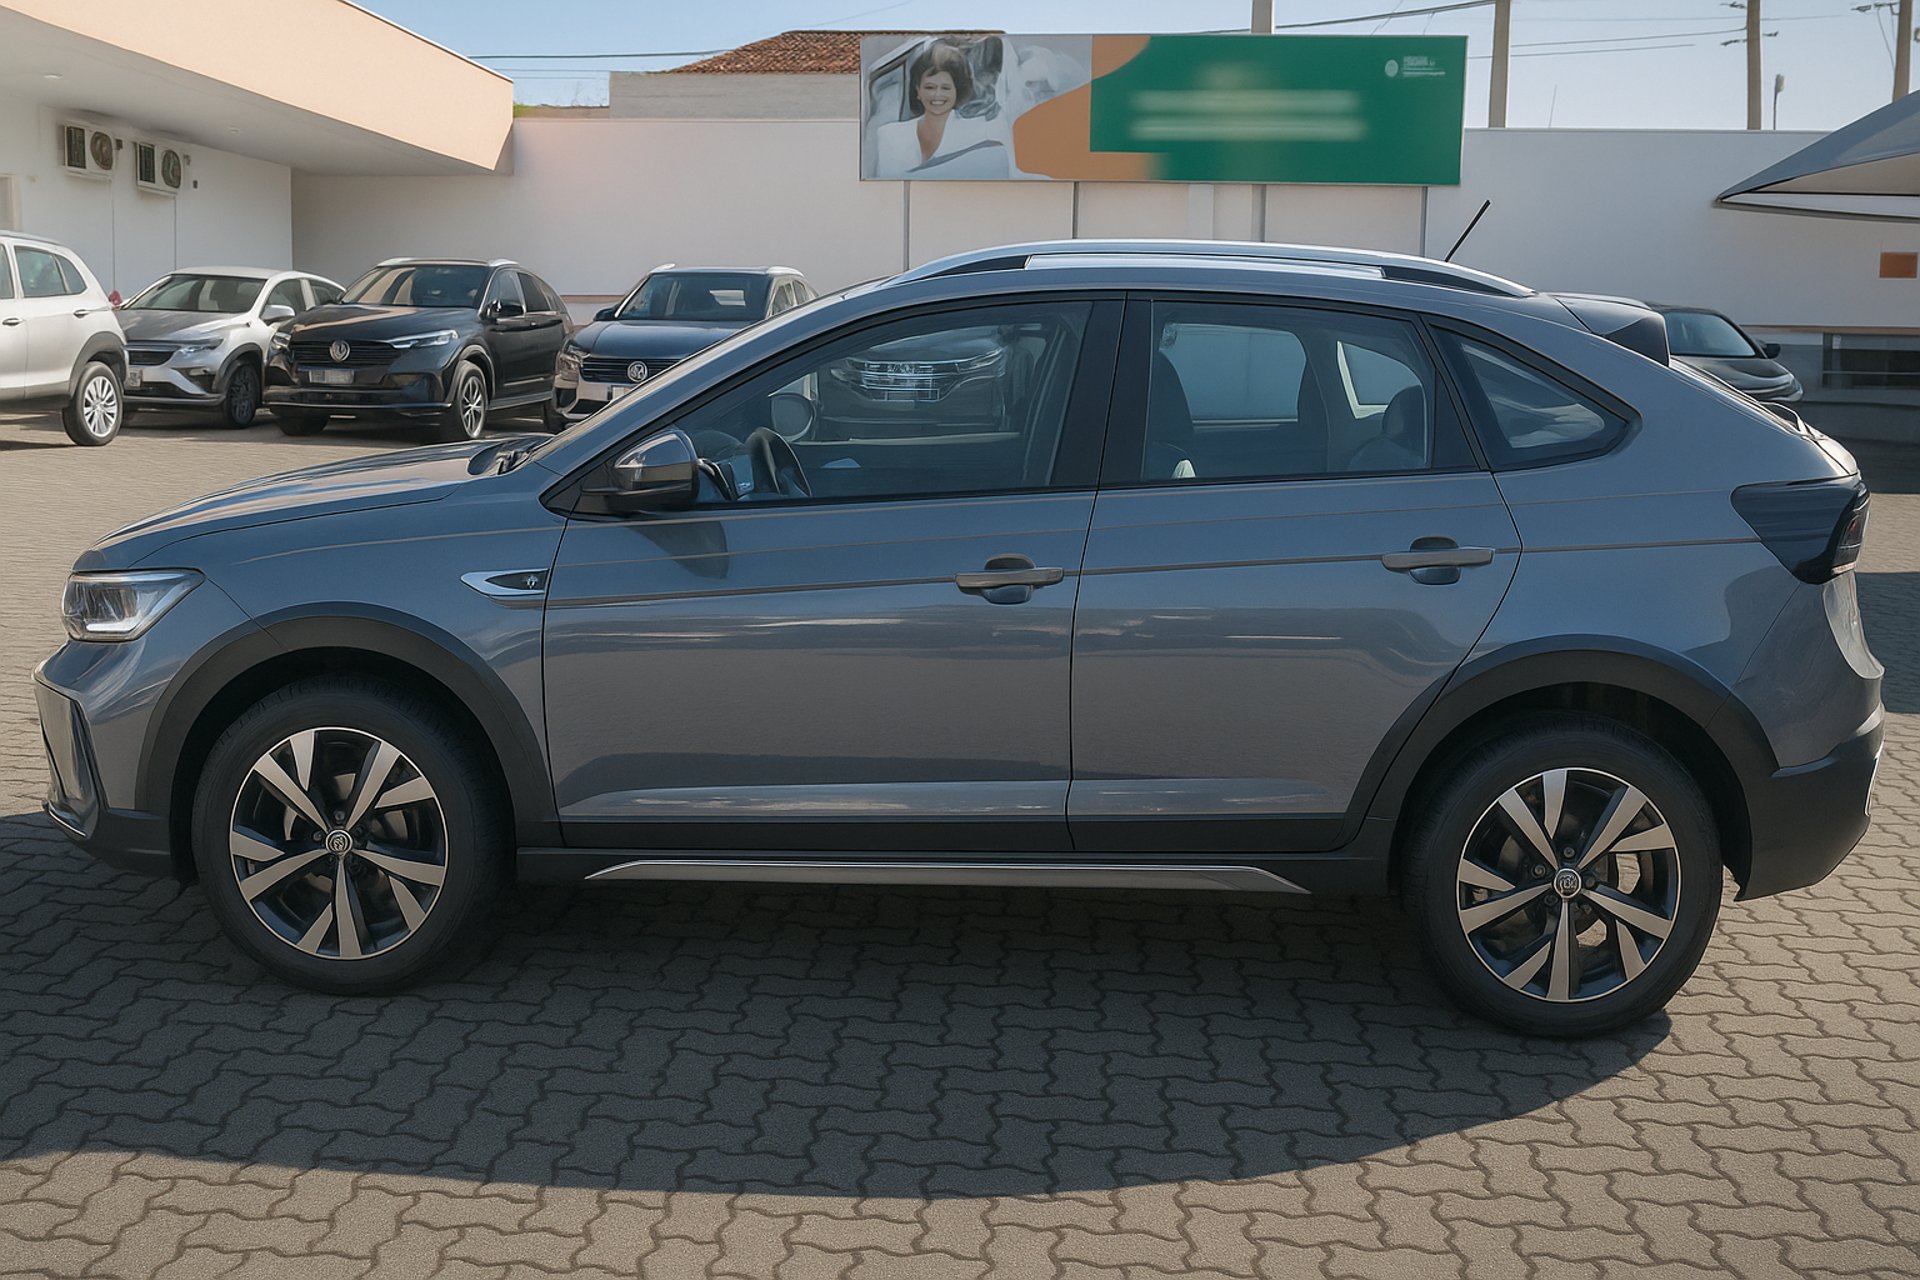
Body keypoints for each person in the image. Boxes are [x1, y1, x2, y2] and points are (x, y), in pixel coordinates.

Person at [871, 42, 1002, 179]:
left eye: (945, 88)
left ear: (957, 91)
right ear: (918, 90)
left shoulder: (980, 134)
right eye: (930, 87)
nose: (937, 95)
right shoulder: (889, 135)